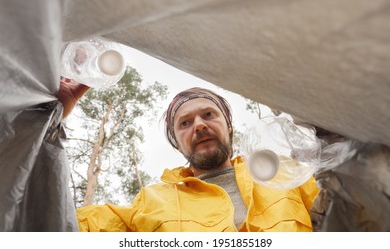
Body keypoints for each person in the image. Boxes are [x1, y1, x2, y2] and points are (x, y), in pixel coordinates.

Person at [58, 82, 319, 232]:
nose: (199, 126)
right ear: (177, 144)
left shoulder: (287, 175)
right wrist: (45, 120)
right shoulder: (148, 203)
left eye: (208, 115)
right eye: (184, 123)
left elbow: (353, 207)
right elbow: (52, 225)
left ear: (228, 126)